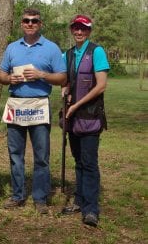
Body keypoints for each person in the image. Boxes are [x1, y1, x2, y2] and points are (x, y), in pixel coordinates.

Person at [0, 8, 67, 214]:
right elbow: (1, 75)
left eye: (34, 21)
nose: (30, 24)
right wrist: (9, 78)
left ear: (40, 24)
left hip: (39, 105)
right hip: (16, 105)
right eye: (26, 21)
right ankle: (17, 195)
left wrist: (41, 75)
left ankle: (40, 198)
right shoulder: (12, 48)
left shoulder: (51, 48)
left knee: (41, 156)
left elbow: (62, 78)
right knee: (15, 154)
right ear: (21, 23)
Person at [61, 15, 110, 227]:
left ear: (89, 31)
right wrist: (65, 89)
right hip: (72, 118)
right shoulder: (69, 54)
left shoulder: (97, 51)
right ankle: (79, 201)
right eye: (76, 28)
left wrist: (77, 104)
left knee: (89, 163)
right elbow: (65, 79)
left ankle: (91, 209)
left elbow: (101, 86)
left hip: (90, 116)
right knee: (79, 160)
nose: (79, 32)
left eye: (83, 29)